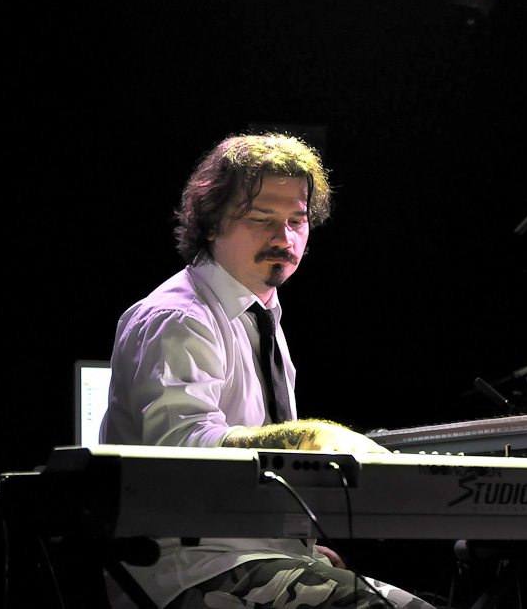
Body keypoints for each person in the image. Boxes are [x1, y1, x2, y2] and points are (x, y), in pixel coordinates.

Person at [99, 133, 436, 609]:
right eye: (261, 219)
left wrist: (292, 545)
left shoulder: (261, 314)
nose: (284, 238)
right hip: (186, 572)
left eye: (296, 221)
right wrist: (310, 436)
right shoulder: (180, 317)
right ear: (211, 223)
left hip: (245, 554)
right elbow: (184, 450)